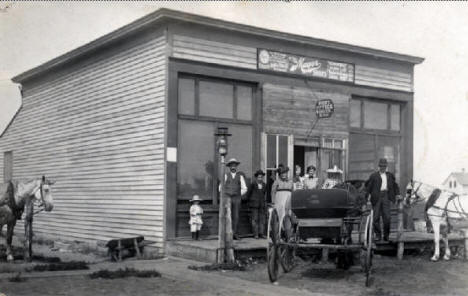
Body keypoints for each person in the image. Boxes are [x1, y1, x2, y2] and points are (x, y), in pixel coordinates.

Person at [365, 158, 401, 242]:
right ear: (378, 167)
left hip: (386, 197)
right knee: (376, 217)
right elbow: (368, 188)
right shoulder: (374, 176)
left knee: (387, 218)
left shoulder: (390, 176)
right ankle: (378, 235)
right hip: (376, 197)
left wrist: (398, 194)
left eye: (384, 166)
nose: (383, 168)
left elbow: (395, 186)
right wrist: (365, 198)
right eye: (381, 166)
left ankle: (386, 235)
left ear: (386, 167)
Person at [223, 158, 247, 240]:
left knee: (236, 216)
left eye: (234, 165)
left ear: (236, 166)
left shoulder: (240, 176)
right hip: (228, 198)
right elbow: (220, 187)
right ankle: (227, 234)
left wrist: (239, 194)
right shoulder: (226, 175)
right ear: (229, 167)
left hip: (237, 198)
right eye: (231, 165)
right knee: (228, 215)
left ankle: (235, 233)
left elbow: (244, 188)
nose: (233, 167)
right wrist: (226, 195)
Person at [247, 170, 267, 239]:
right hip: (254, 204)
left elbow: (263, 193)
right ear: (256, 178)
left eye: (261, 177)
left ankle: (261, 233)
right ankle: (256, 234)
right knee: (255, 219)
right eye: (259, 177)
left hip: (262, 204)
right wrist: (249, 202)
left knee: (262, 219)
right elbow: (248, 194)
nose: (260, 179)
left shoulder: (264, 185)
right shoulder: (253, 184)